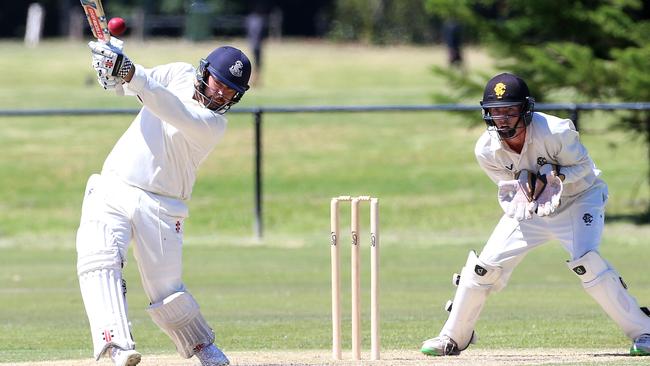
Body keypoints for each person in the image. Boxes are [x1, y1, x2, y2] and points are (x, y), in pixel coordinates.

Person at [420, 73, 650, 357]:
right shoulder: (486, 149)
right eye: (495, 111)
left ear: (525, 110)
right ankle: (454, 336)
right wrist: (529, 191)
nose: (501, 118)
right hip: (533, 208)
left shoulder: (556, 131)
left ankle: (644, 331)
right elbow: (509, 186)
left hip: (579, 199)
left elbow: (586, 170)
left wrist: (558, 177)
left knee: (586, 262)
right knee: (484, 268)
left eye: (509, 110)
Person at [76, 38, 251, 366]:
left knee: (166, 291)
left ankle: (202, 347)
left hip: (162, 206)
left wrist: (130, 72)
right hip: (114, 184)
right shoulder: (179, 73)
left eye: (231, 91)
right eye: (219, 83)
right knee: (98, 258)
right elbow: (131, 87)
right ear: (204, 71)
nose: (221, 94)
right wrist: (110, 67)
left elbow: (169, 107)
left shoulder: (213, 125)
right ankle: (116, 346)